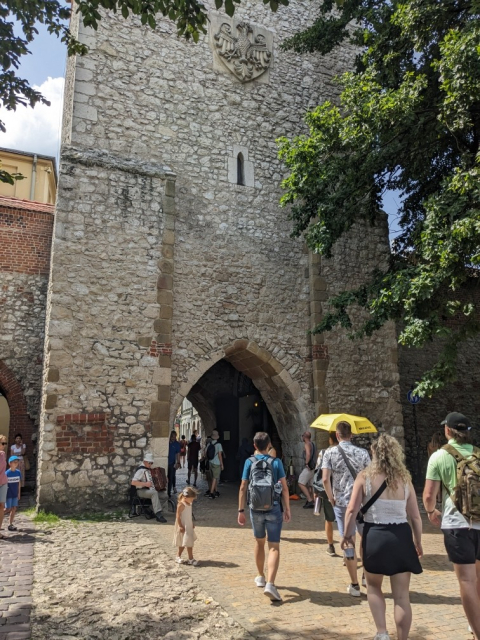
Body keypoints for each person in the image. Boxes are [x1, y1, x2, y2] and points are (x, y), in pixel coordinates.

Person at [342, 434, 423, 640]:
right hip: (401, 536)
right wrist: (418, 541)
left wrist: (346, 535)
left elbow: (351, 510)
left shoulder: (365, 477)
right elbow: (414, 515)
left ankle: (382, 632)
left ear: (374, 453)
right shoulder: (405, 479)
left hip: (375, 535)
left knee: (374, 587)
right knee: (402, 596)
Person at [423, 412, 480, 640]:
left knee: (466, 580)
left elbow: (429, 496)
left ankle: (477, 630)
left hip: (457, 524)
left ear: (447, 431)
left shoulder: (439, 456)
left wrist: (430, 511)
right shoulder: (478, 454)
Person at [238, 431, 291, 602]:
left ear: (254, 446)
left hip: (255, 509)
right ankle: (271, 583)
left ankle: (260, 576)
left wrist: (241, 510)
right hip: (274, 507)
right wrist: (287, 508)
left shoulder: (249, 462)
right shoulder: (276, 462)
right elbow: (284, 487)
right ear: (269, 445)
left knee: (259, 542)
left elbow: (243, 486)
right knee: (274, 546)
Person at [322, 420, 370, 596]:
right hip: (363, 503)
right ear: (351, 435)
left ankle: (354, 584)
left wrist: (331, 497)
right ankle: (366, 576)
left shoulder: (330, 453)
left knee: (348, 540)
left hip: (342, 503)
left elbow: (325, 479)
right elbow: (370, 478)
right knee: (365, 539)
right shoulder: (363, 453)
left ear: (337, 435)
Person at [315, 432, 338, 556]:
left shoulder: (323, 453)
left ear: (330, 440)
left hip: (328, 490)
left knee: (328, 519)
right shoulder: (350, 453)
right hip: (344, 491)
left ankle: (331, 546)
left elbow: (318, 472)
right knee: (345, 520)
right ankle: (348, 550)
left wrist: (316, 491)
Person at [131, 452, 167, 522]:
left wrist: (163, 479)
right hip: (140, 491)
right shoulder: (141, 470)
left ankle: (150, 510)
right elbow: (133, 482)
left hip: (149, 490)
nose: (150, 465)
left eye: (151, 463)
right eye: (149, 463)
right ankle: (158, 514)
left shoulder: (149, 470)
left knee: (164, 496)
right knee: (154, 493)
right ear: (145, 461)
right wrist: (145, 484)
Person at [173, 486, 199, 565]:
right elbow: (178, 515)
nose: (192, 500)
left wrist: (192, 523)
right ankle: (189, 558)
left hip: (188, 524)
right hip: (183, 525)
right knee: (186, 542)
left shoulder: (189, 503)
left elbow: (189, 514)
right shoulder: (181, 504)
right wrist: (180, 526)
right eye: (191, 498)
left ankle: (181, 556)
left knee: (186, 542)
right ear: (185, 497)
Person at [298, 431, 316, 508]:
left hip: (309, 467)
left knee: (301, 483)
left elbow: (308, 454)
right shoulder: (313, 444)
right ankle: (314, 501)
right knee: (311, 485)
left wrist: (306, 463)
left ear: (304, 437)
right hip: (313, 467)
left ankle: (309, 500)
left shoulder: (307, 444)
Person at [5, 456, 22, 532]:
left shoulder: (18, 472)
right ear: (10, 463)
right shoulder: (7, 473)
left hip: (15, 494)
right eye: (14, 462)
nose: (16, 463)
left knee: (14, 508)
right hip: (8, 494)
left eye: (17, 462)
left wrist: (19, 493)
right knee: (7, 509)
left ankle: (10, 524)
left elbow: (19, 483)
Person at [205, 430, 223, 500]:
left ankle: (216, 491)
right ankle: (211, 493)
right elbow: (220, 455)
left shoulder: (209, 444)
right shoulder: (219, 445)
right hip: (217, 463)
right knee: (215, 478)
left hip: (210, 462)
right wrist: (222, 464)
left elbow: (205, 454)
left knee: (213, 478)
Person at [168, 431, 181, 496]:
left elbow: (178, 453)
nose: (173, 438)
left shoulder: (177, 444)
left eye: (174, 436)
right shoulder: (167, 443)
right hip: (167, 462)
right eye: (172, 436)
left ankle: (169, 491)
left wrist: (178, 462)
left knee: (171, 476)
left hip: (172, 463)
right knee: (168, 477)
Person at [0, 436, 8, 539]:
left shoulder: (3, 454)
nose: (4, 445)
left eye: (5, 443)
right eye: (2, 443)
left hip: (3, 482)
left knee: (1, 506)